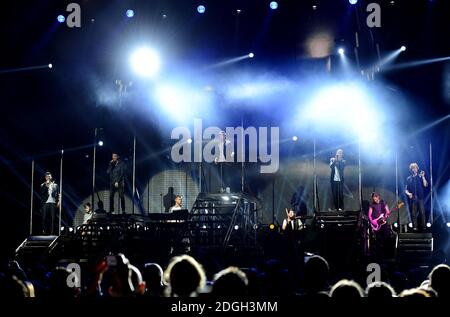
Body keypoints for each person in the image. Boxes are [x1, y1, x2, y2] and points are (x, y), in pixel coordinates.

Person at [368, 192, 393, 259]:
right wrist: (373, 222)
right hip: (376, 224)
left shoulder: (383, 203)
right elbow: (369, 216)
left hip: (384, 224)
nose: (374, 200)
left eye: (375, 199)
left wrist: (387, 214)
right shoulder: (372, 205)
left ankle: (388, 254)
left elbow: (387, 211)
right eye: (373, 199)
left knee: (387, 237)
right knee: (378, 240)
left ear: (378, 197)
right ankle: (379, 255)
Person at [405, 163, 428, 232]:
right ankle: (415, 227)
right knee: (414, 213)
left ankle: (423, 226)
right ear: (411, 169)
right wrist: (409, 193)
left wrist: (423, 177)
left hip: (420, 197)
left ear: (417, 168)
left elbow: (426, 185)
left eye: (415, 168)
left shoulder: (420, 176)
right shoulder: (409, 178)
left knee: (422, 212)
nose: (414, 169)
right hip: (413, 198)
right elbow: (405, 189)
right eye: (413, 168)